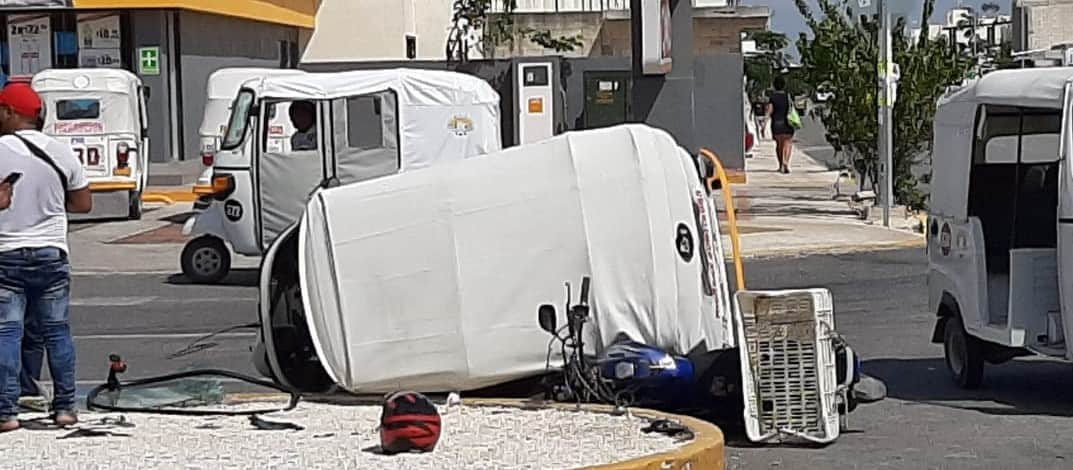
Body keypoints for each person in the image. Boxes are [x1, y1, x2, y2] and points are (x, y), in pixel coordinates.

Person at [0, 83, 92, 432]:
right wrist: (51, 204)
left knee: (7, 332)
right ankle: (66, 408)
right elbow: (83, 204)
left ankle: (6, 413)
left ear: (9, 112)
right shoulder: (61, 151)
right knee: (57, 332)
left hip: (6, 252)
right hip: (52, 252)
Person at [766, 76, 796, 174]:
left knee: (779, 145)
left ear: (774, 86)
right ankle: (786, 162)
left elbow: (770, 110)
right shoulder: (788, 96)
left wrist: (764, 122)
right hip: (788, 123)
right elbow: (792, 108)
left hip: (776, 124)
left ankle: (780, 165)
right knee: (788, 143)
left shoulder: (773, 97)